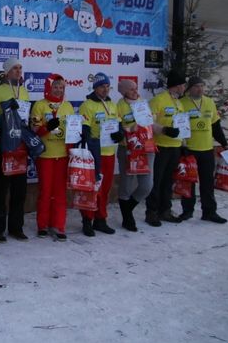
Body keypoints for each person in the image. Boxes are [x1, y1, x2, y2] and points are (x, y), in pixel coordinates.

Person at [0, 57, 31, 242]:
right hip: (4, 145)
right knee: (0, 189)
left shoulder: (24, 90)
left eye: (20, 68)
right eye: (15, 68)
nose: (18, 71)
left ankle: (16, 227)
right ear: (6, 72)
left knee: (19, 190)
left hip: (21, 146)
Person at [30, 74, 75, 240]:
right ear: (49, 87)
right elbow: (34, 129)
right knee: (46, 190)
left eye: (61, 87)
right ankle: (42, 225)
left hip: (62, 155)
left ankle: (58, 225)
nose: (58, 90)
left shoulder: (68, 106)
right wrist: (46, 127)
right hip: (46, 154)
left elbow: (73, 130)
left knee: (60, 192)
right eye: (55, 86)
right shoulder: (40, 106)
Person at [179, 76, 228, 223]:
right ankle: (187, 211)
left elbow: (215, 126)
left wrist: (224, 143)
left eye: (202, 86)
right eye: (196, 86)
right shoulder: (182, 103)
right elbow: (179, 126)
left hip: (207, 149)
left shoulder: (209, 102)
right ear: (189, 88)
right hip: (190, 149)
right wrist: (183, 146)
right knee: (189, 182)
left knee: (207, 183)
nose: (200, 89)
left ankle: (209, 212)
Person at [78, 72, 123, 236]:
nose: (105, 89)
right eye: (102, 86)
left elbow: (118, 124)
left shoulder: (112, 104)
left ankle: (100, 219)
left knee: (105, 188)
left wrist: (120, 133)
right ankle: (87, 220)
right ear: (95, 87)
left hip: (109, 153)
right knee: (92, 188)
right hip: (95, 153)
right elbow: (84, 128)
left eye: (107, 86)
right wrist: (89, 135)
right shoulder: (87, 105)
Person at [145, 69, 187, 226]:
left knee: (168, 181)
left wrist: (184, 144)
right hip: (160, 147)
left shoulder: (179, 102)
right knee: (156, 181)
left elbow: (182, 126)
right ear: (176, 85)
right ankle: (151, 212)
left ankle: (165, 210)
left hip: (175, 147)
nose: (184, 88)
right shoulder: (159, 100)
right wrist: (164, 130)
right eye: (183, 85)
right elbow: (148, 122)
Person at [115, 79, 156, 232]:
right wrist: (133, 126)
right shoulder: (118, 106)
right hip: (128, 149)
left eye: (135, 88)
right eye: (131, 89)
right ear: (124, 91)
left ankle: (128, 208)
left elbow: (151, 124)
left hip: (147, 148)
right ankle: (127, 218)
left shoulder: (143, 103)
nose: (135, 91)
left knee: (147, 185)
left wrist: (165, 130)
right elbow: (118, 127)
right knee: (127, 184)